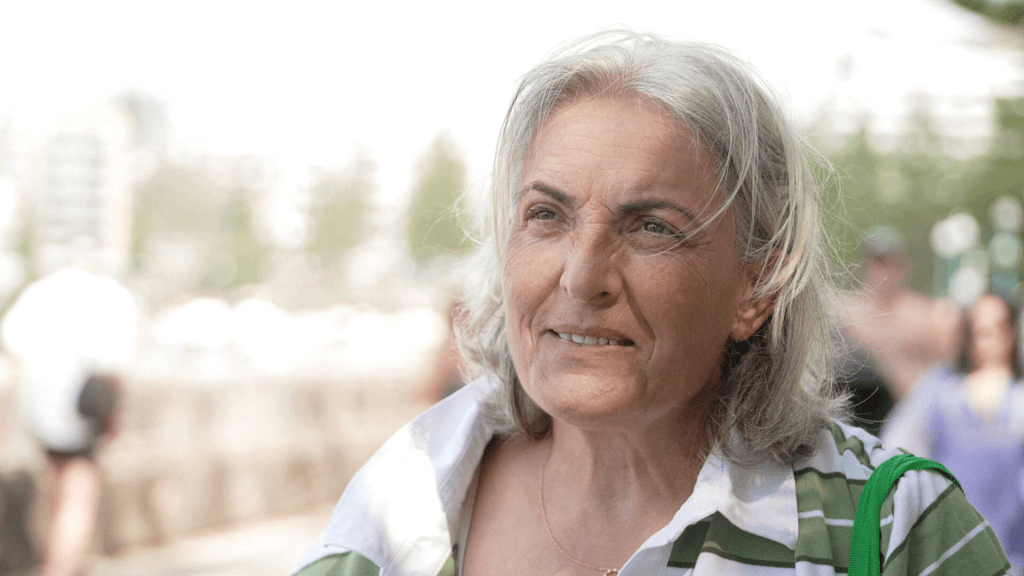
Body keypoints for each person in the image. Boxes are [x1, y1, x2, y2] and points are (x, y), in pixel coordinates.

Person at [293, 32, 1009, 575]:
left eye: (652, 228)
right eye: (547, 215)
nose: (582, 278)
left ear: (757, 286)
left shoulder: (892, 531)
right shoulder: (406, 499)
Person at [0, 267, 137, 576]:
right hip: (81, 404)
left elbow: (13, 344)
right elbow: (113, 367)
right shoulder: (108, 295)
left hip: (39, 404)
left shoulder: (42, 290)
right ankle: (61, 567)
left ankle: (55, 560)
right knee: (79, 490)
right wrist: (115, 419)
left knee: (57, 482)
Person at [883, 293, 1024, 571]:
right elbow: (895, 449)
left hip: (1011, 556)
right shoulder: (939, 389)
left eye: (995, 327)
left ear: (1011, 333)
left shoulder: (1018, 397)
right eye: (977, 328)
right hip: (947, 553)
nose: (986, 337)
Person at [842, 226, 963, 410]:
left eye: (889, 266)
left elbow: (948, 371)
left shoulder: (923, 314)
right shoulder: (848, 313)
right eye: (878, 265)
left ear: (902, 267)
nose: (883, 273)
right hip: (862, 409)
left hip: (911, 409)